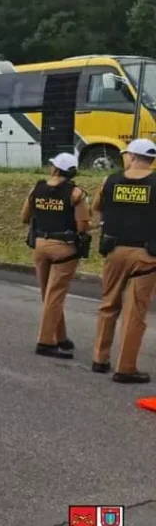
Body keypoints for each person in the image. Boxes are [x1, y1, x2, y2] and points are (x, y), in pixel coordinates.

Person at [91, 138, 156, 384]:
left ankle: (100, 358)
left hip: (115, 251)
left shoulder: (111, 180)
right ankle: (126, 368)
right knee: (135, 312)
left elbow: (98, 207)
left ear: (132, 157)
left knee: (108, 304)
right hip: (147, 256)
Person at [21, 153, 91, 359]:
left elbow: (24, 217)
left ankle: (61, 337)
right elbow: (82, 226)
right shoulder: (76, 193)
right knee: (56, 295)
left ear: (55, 169)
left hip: (40, 246)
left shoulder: (37, 188)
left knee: (48, 294)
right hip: (64, 249)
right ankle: (45, 341)